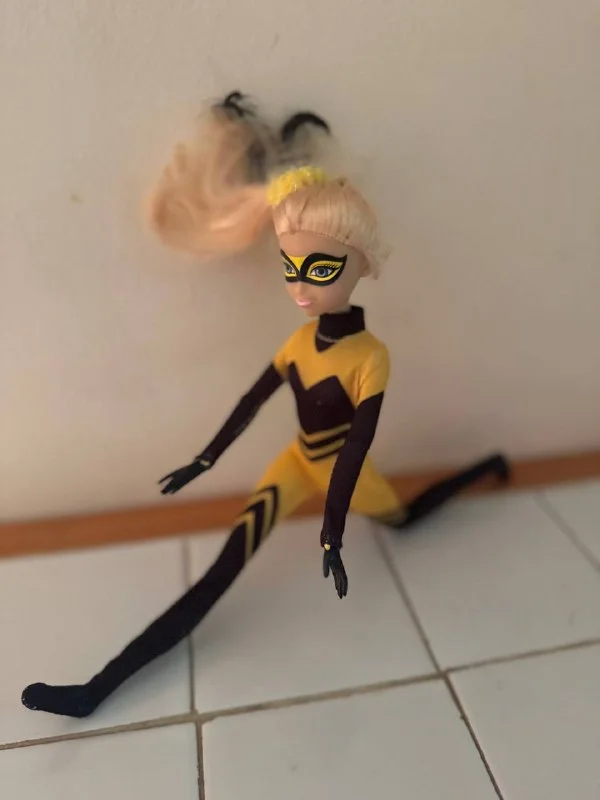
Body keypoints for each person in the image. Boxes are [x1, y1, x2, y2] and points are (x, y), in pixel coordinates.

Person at [21, 91, 509, 718]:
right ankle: (96, 689)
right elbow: (250, 401)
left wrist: (332, 531)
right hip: (296, 464)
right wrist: (203, 461)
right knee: (221, 571)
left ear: (361, 264)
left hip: (341, 476)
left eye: (320, 270)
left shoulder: (369, 358)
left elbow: (356, 449)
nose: (301, 287)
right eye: (290, 268)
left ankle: (484, 467)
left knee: (404, 517)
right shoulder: (299, 343)